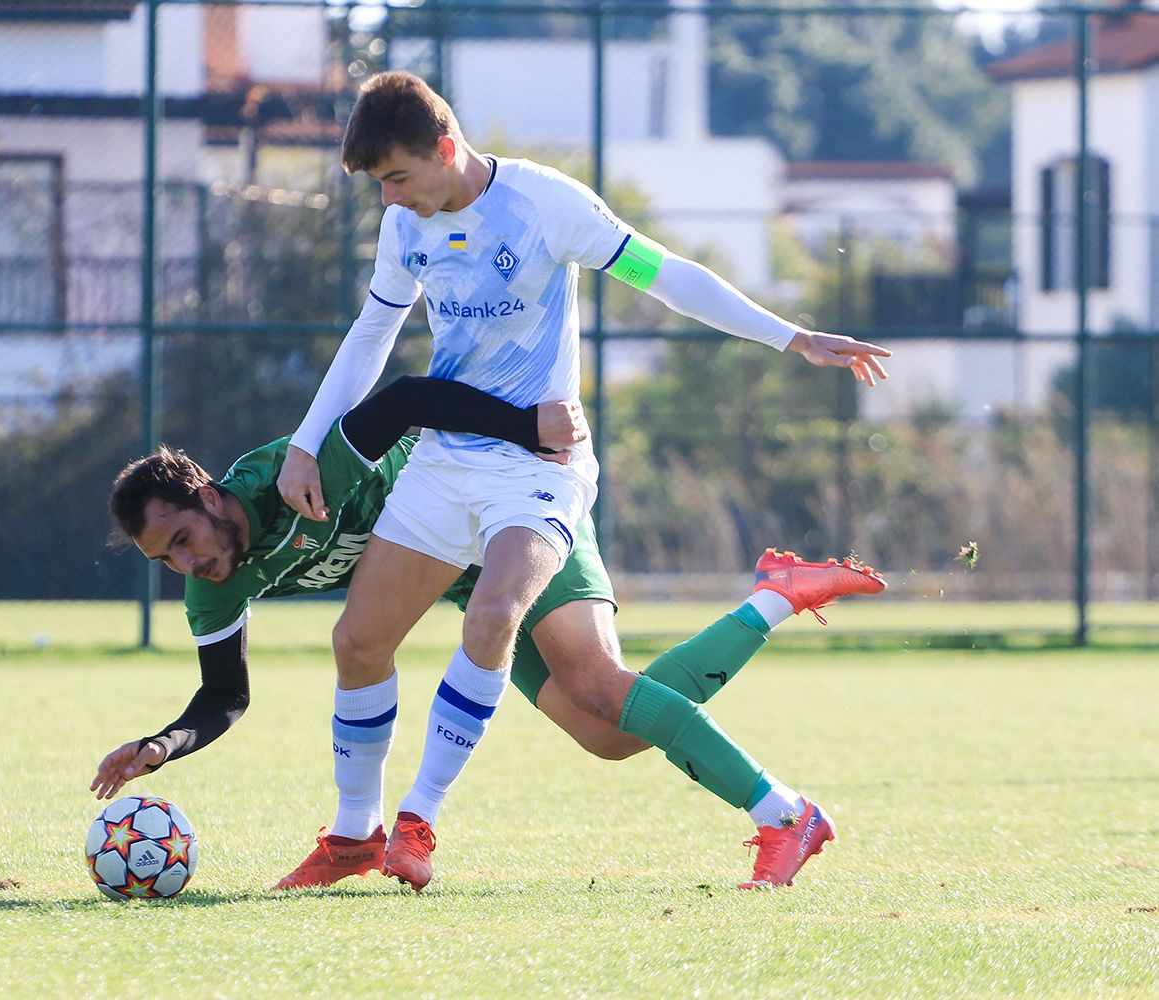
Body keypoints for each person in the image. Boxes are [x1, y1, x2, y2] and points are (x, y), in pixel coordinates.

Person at [271, 71, 892, 889]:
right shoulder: (403, 227)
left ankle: (417, 819)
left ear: (445, 148)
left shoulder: (545, 204)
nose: (390, 200)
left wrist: (792, 337)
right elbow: (370, 338)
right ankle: (355, 835)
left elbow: (665, 274)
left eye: (397, 178)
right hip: (446, 462)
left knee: (499, 618)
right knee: (370, 644)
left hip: (539, 467)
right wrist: (307, 444)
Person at [90, 376, 885, 891]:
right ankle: (774, 600)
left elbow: (405, 399)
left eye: (184, 540)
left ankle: (784, 813)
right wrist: (164, 744)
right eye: (167, 561)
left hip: (512, 508)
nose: (188, 565)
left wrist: (521, 426)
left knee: (603, 687)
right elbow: (225, 695)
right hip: (466, 575)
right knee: (607, 734)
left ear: (204, 491)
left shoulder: (293, 474)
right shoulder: (209, 581)